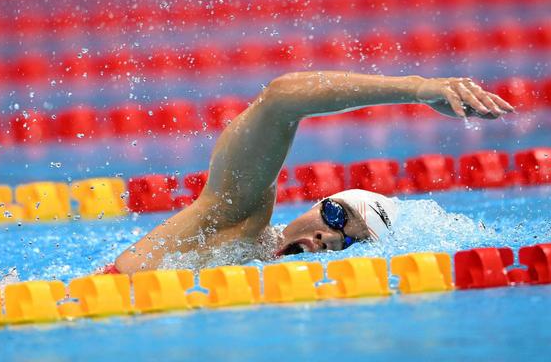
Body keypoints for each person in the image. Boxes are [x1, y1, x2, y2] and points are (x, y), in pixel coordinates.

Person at [114, 72, 514, 274]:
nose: (329, 237)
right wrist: (417, 88)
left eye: (349, 242)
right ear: (318, 204)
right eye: (337, 216)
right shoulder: (237, 222)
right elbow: (280, 97)